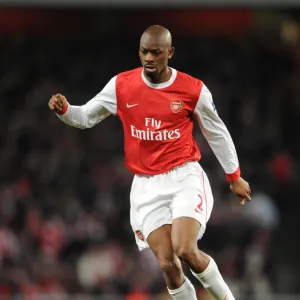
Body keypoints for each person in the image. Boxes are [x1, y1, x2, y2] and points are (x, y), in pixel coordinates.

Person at [48, 25, 251, 300]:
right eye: (144, 52)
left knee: (185, 249)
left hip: (184, 177)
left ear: (170, 53)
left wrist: (234, 176)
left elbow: (217, 132)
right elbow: (85, 117)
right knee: (168, 264)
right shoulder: (122, 85)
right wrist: (64, 110)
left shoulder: (193, 90)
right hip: (146, 186)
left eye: (156, 52)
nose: (149, 58)